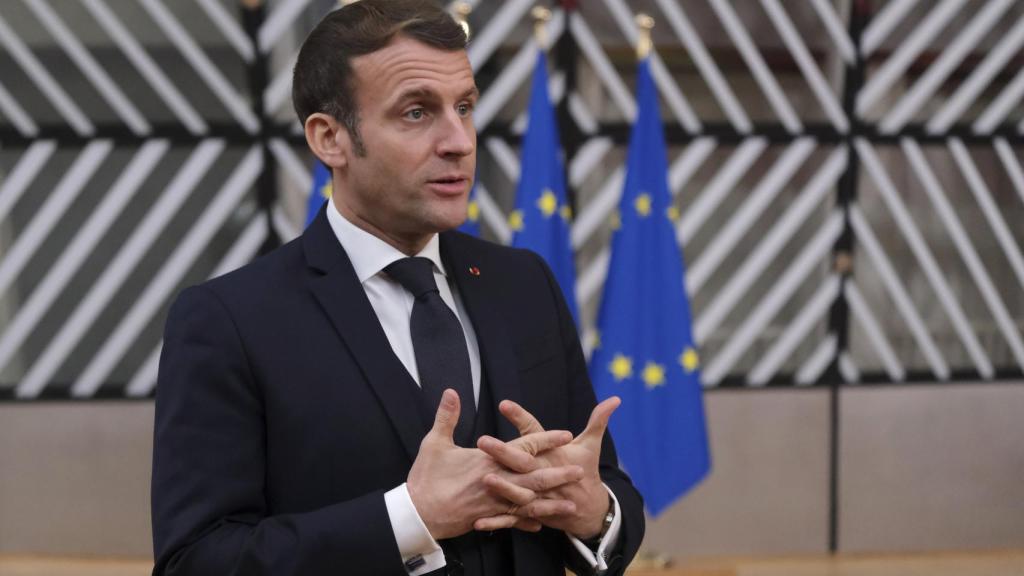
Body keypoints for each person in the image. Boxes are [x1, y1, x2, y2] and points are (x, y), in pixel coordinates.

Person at [150, 1, 644, 574]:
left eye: (465, 107)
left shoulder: (524, 284)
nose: (458, 140)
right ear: (329, 138)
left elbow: (606, 490)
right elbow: (195, 562)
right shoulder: (227, 321)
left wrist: (592, 512)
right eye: (416, 113)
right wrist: (409, 518)